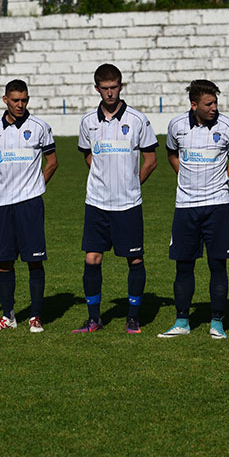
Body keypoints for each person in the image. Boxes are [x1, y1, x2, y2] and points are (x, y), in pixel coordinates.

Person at [75, 64, 158, 334]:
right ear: (96, 89)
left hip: (128, 204)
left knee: (134, 260)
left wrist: (131, 183)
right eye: (105, 88)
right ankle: (94, 319)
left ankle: (133, 318)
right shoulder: (88, 121)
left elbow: (151, 160)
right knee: (92, 259)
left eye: (114, 87)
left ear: (121, 87)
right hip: (96, 203)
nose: (110, 93)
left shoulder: (137, 120)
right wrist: (104, 179)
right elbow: (88, 156)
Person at [158, 79, 229, 339]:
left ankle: (217, 322)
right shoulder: (176, 126)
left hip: (217, 205)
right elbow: (172, 154)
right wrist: (184, 176)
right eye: (208, 104)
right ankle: (182, 321)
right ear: (194, 105)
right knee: (184, 265)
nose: (214, 108)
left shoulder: (228, 126)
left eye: (215, 102)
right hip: (186, 206)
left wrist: (221, 181)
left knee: (218, 264)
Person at [0, 79, 57, 333]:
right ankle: (8, 316)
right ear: (5, 100)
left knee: (34, 260)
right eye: (15, 100)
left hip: (30, 204)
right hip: (3, 204)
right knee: (4, 261)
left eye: (24, 100)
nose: (20, 104)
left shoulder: (39, 127)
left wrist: (35, 186)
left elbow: (52, 162)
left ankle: (35, 316)